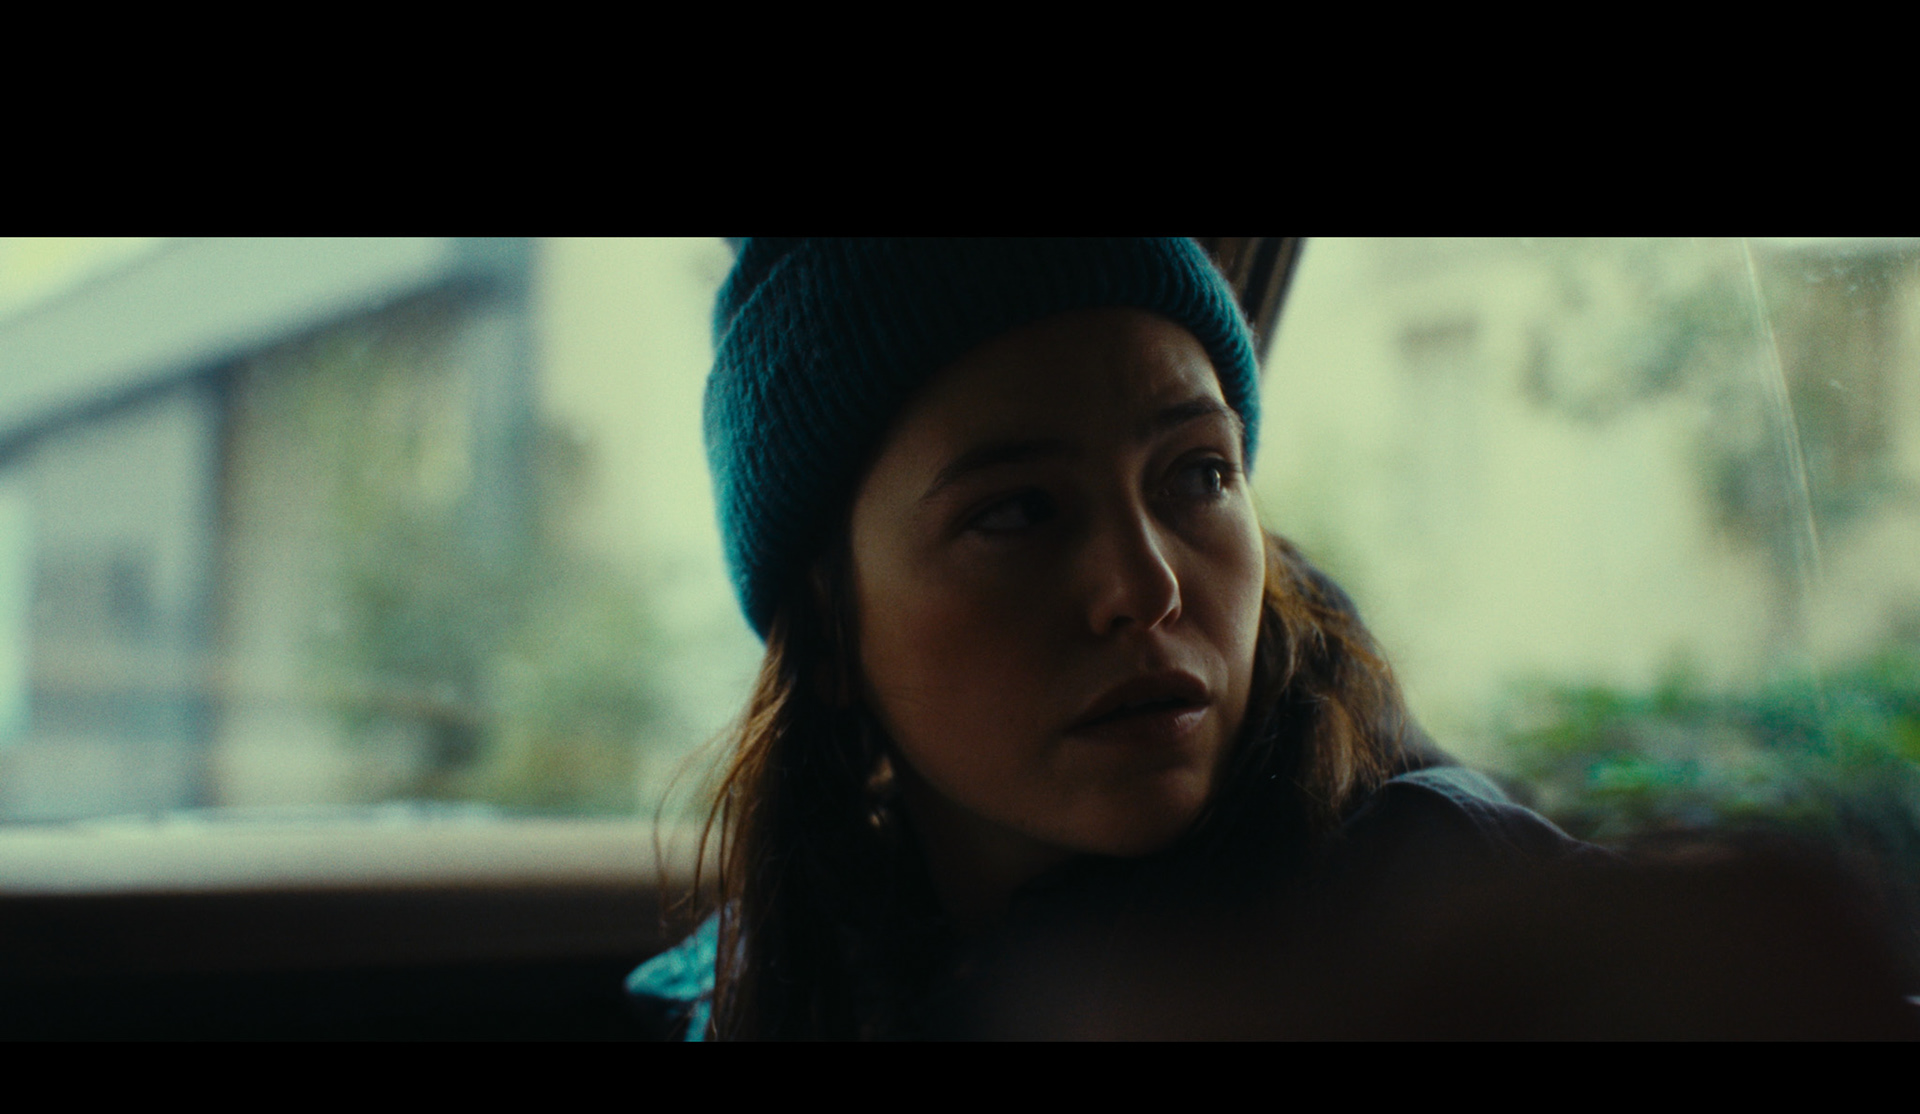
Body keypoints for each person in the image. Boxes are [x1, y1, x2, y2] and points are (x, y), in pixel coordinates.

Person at [625, 238, 1621, 1040]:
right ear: (831, 631)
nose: (1147, 588)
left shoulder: (1439, 910)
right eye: (1019, 512)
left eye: (1200, 475)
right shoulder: (773, 989)